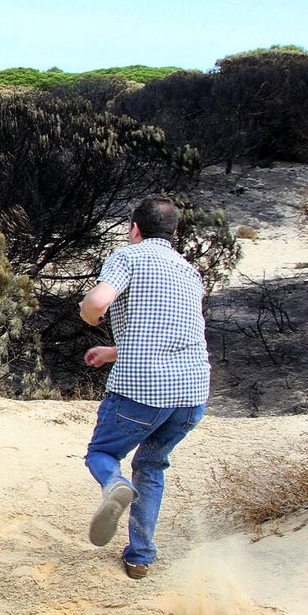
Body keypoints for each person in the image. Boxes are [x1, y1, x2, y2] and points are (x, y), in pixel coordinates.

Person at [77, 197, 209, 579]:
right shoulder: (189, 271)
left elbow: (98, 302)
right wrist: (113, 352)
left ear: (134, 228)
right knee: (151, 465)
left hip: (143, 392)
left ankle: (114, 485)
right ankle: (140, 557)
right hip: (192, 394)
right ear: (174, 232)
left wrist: (90, 314)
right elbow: (171, 333)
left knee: (102, 453)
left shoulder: (128, 257)